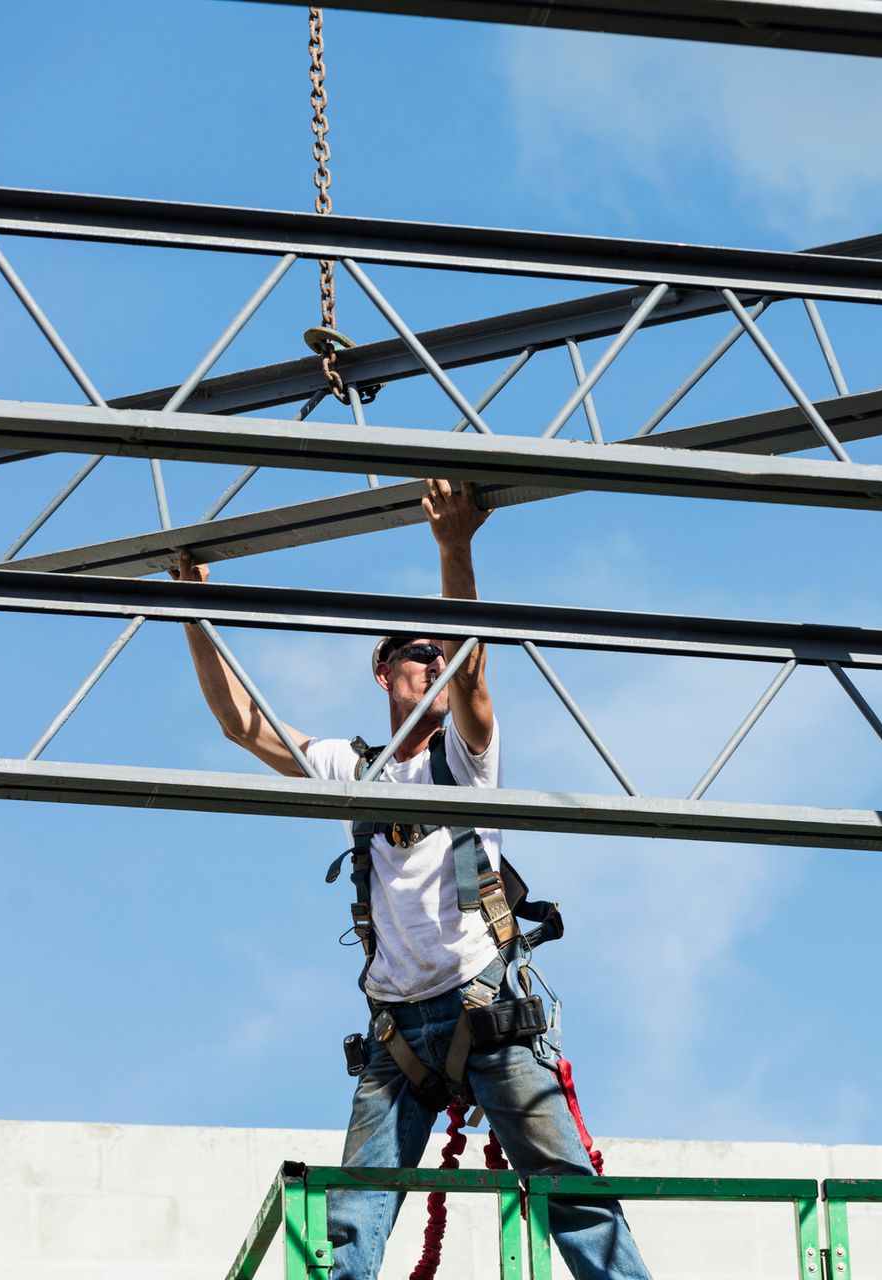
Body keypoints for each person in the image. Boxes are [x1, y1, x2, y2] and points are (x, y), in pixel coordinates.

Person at [173, 478, 652, 1280]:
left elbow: (473, 679)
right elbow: (241, 723)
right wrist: (192, 612)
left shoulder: (463, 760)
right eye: (415, 651)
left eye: (438, 648)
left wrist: (454, 547)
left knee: (572, 1195)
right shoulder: (349, 768)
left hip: (483, 1007)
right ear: (382, 669)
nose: (432, 659)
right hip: (397, 1033)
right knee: (349, 1225)